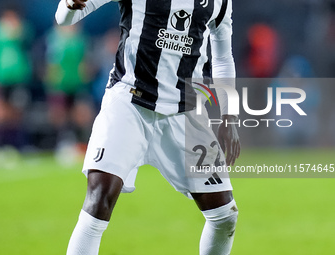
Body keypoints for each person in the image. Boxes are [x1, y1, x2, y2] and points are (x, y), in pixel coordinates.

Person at [55, 0, 241, 254]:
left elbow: (223, 57)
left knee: (224, 214)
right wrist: (69, 4)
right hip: (130, 105)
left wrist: (229, 116)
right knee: (99, 200)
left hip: (184, 113)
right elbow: (65, 19)